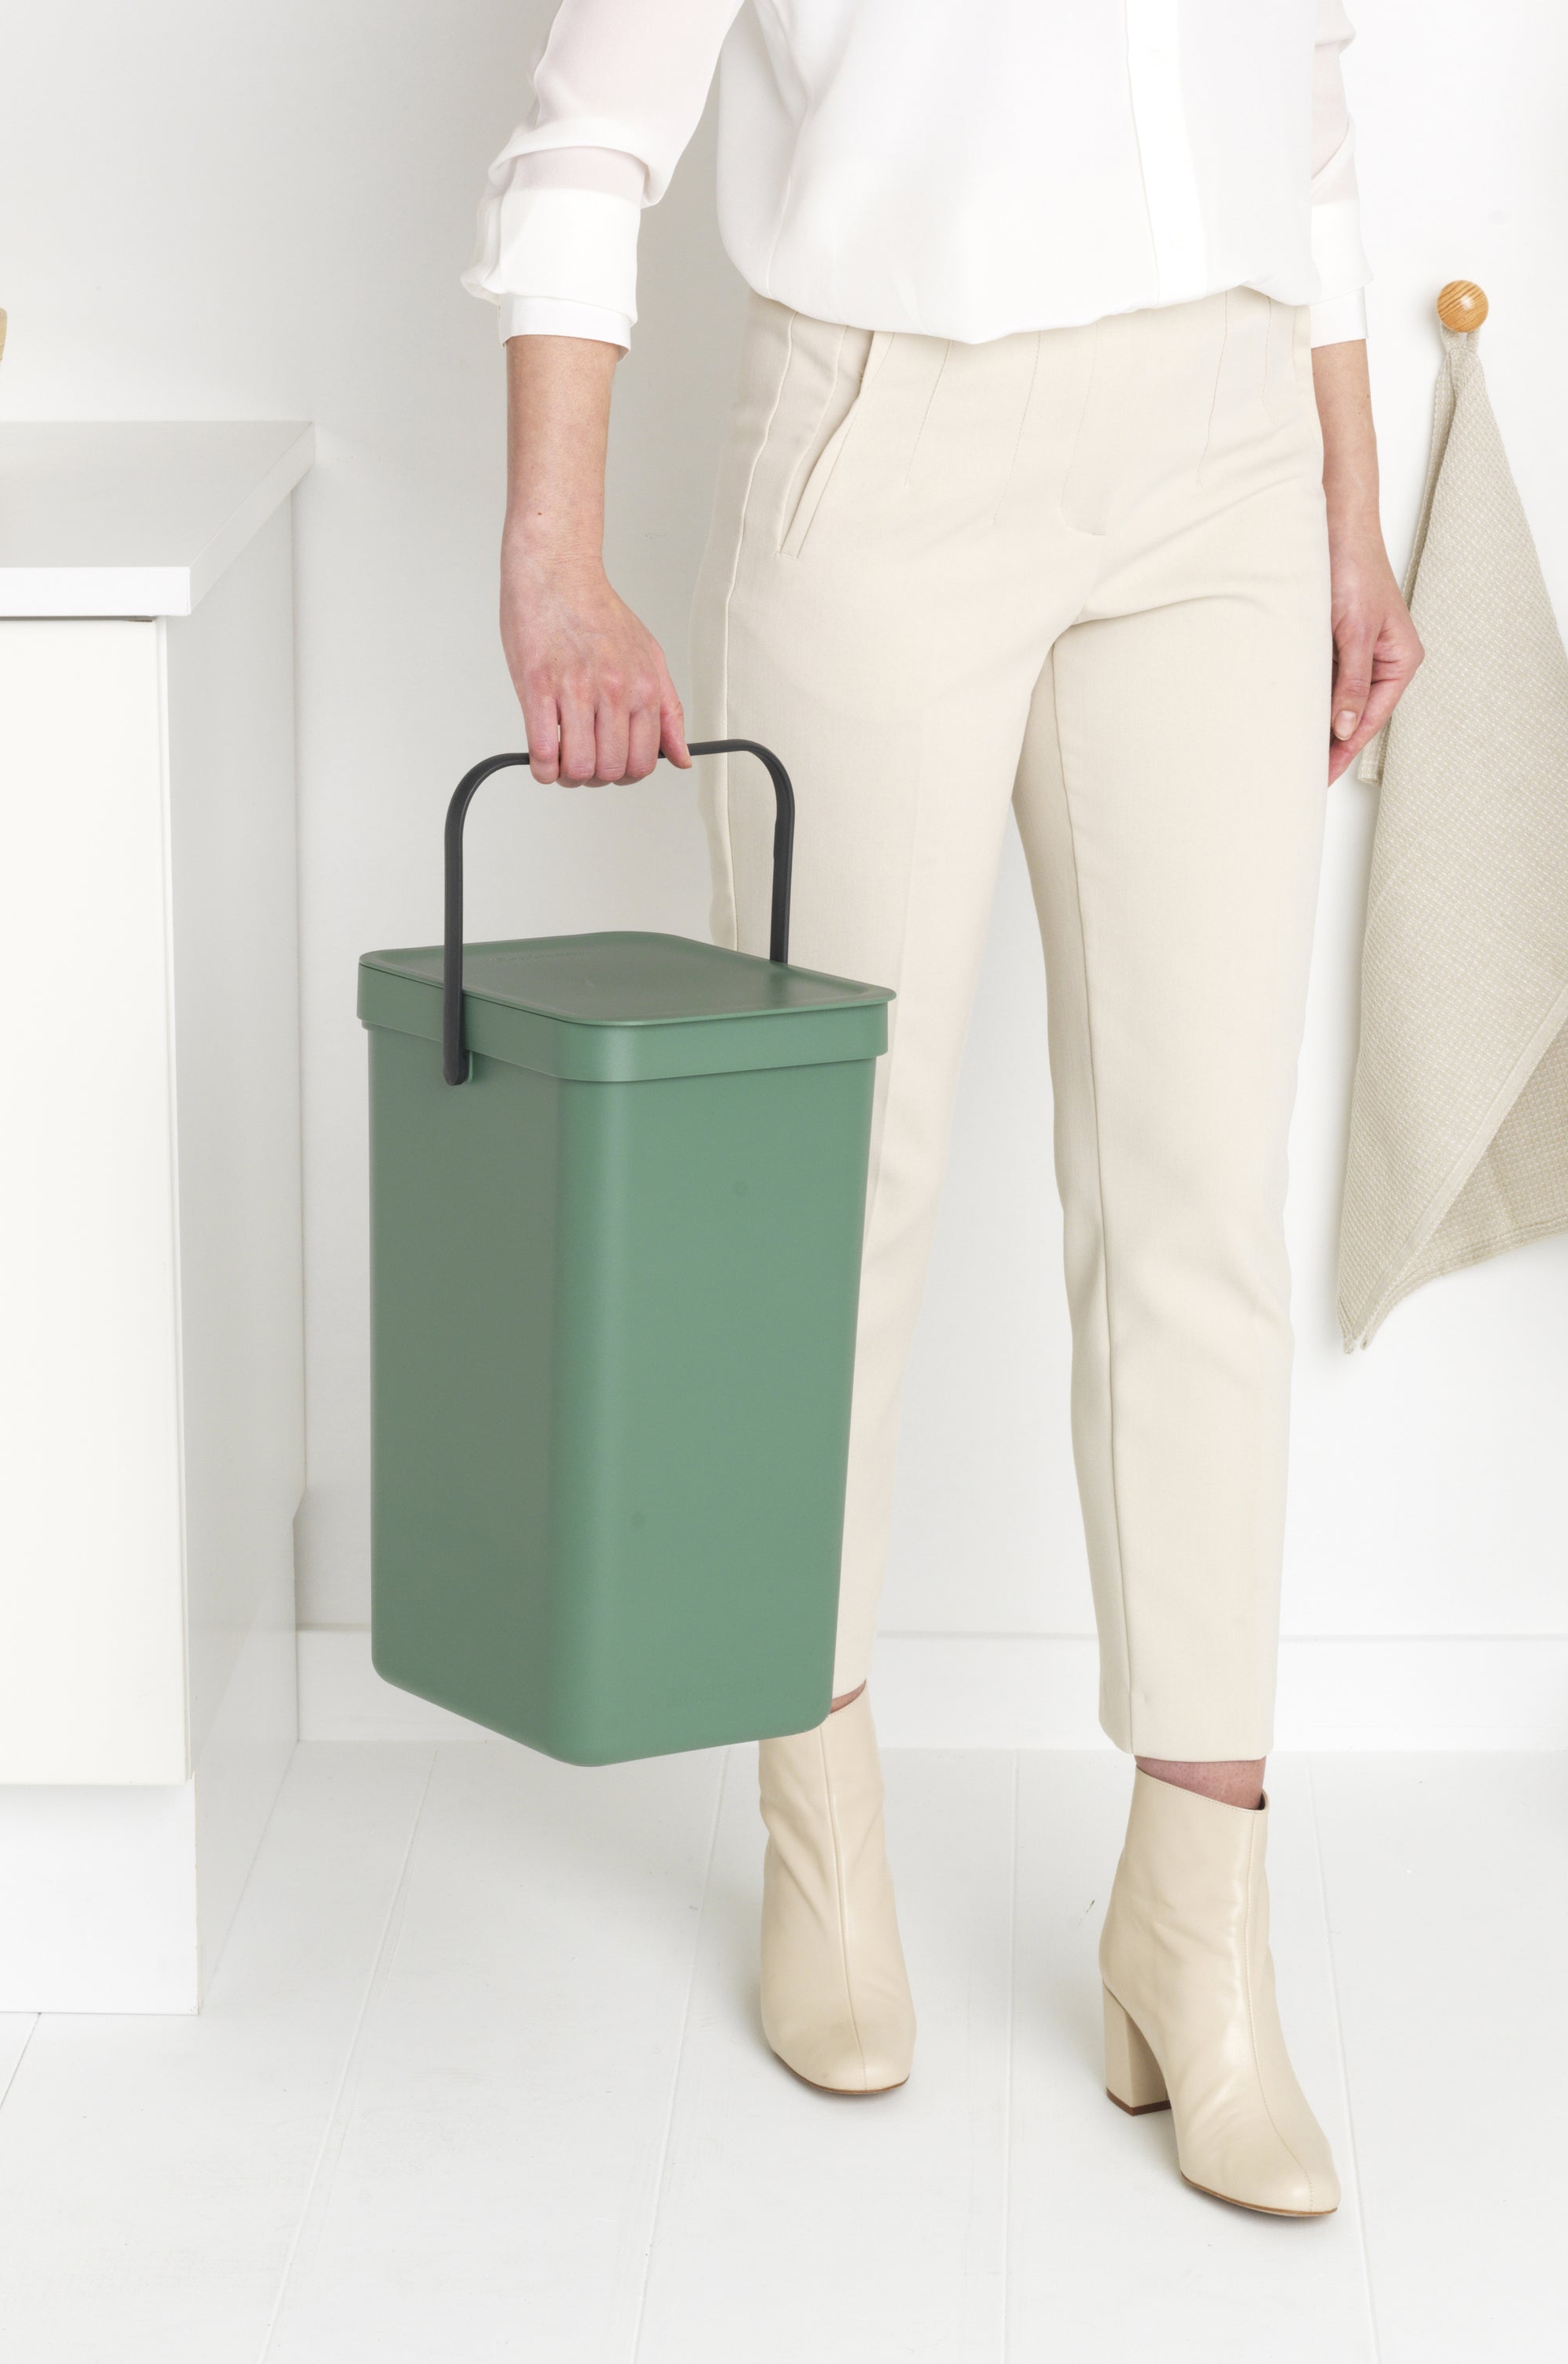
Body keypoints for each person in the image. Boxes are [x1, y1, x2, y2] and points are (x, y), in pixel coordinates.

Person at [469, 0, 1420, 2216]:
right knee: (819, 1199)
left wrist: (1353, 512)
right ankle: (818, 1834)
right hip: (888, 434)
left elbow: (1309, 119)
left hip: (1230, 449)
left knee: (1199, 1206)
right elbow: (584, 143)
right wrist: (553, 557)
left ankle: (1197, 1929)